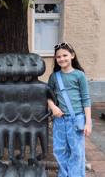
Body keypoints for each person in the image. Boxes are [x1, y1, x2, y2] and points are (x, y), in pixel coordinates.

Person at [47, 42, 92, 177]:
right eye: (58, 57)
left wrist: (88, 122)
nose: (62, 59)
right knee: (59, 150)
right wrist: (53, 107)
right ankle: (64, 174)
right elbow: (48, 95)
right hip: (60, 119)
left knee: (77, 152)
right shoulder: (54, 77)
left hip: (76, 118)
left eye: (65, 55)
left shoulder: (79, 75)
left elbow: (86, 99)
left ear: (72, 55)